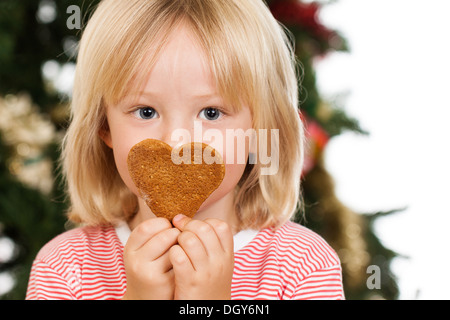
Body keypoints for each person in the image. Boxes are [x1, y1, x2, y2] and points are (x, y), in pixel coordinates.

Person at [26, 0, 344, 300]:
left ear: (259, 129)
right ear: (104, 126)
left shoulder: (303, 265)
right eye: (146, 112)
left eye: (211, 113)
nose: (177, 142)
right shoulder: (65, 267)